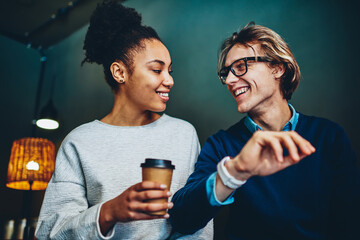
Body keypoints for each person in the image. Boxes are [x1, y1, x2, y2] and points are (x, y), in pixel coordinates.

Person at [35, 1, 213, 239]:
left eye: (170, 70)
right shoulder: (79, 142)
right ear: (120, 72)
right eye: (157, 70)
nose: (169, 80)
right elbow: (50, 231)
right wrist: (110, 211)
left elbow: (198, 225)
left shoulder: (183, 134)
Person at [170, 22, 360, 239]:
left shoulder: (329, 137)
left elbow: (350, 224)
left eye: (241, 66)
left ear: (277, 67)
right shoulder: (222, 145)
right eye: (226, 73)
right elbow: (182, 219)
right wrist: (235, 172)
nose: (230, 80)